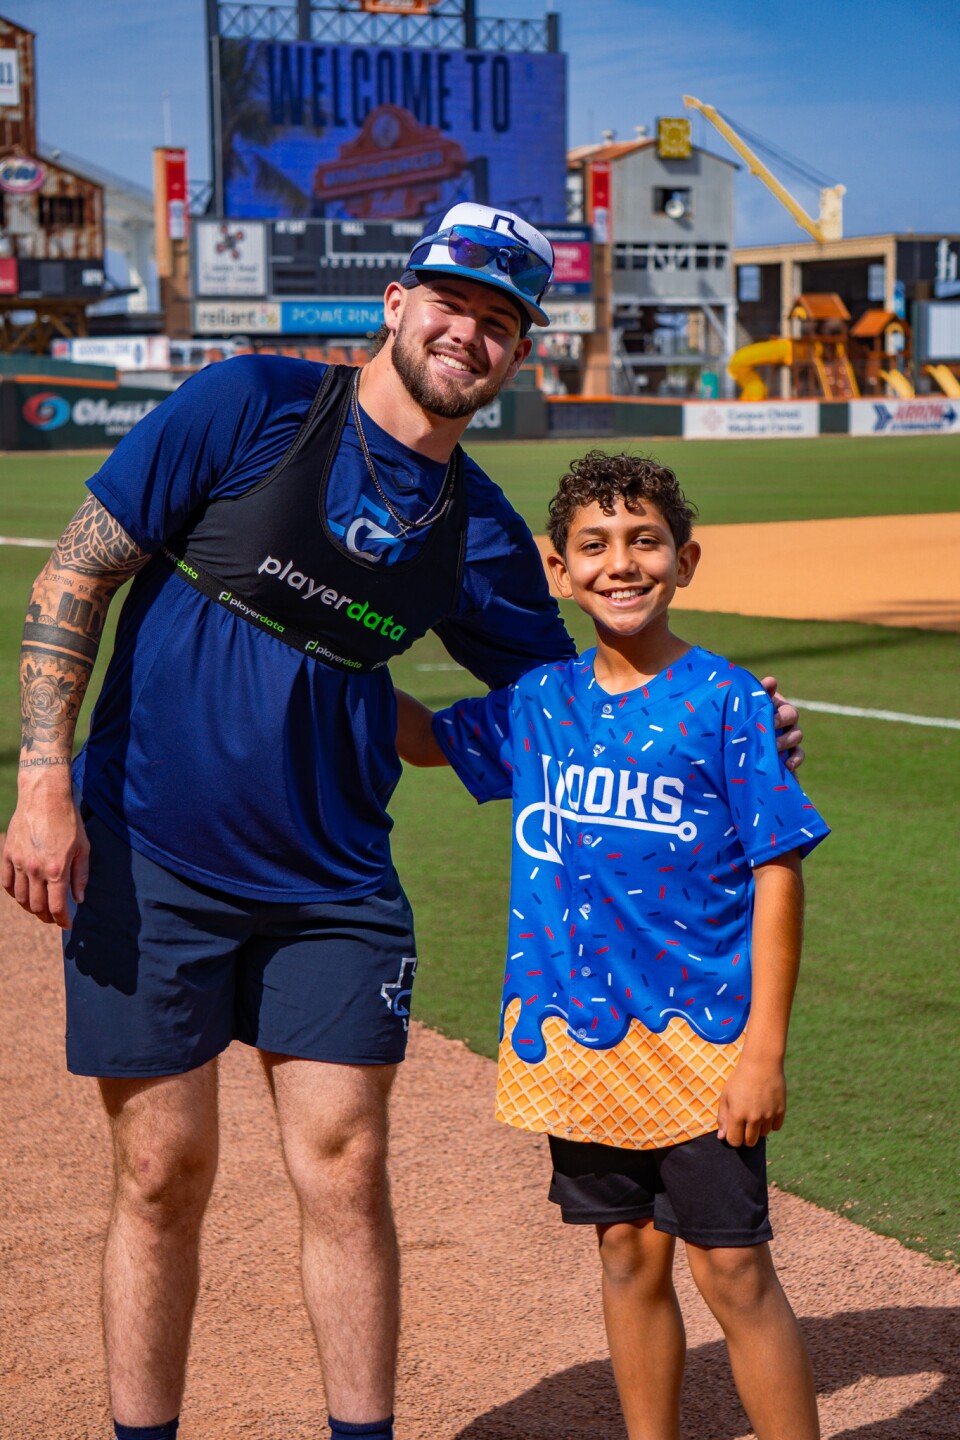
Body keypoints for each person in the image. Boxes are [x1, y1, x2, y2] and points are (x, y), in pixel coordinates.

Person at [2, 202, 802, 1440]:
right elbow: (78, 570)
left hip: (333, 889)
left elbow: (579, 699)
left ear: (518, 352)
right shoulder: (248, 404)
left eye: (498, 321)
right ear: (394, 304)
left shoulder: (479, 530)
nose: (466, 334)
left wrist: (731, 715)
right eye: (449, 301)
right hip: (151, 849)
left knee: (350, 1168)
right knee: (161, 1175)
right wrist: (42, 775)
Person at [396, 451, 828, 1440]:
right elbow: (427, 741)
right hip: (585, 1041)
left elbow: (779, 870)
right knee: (626, 1253)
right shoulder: (541, 703)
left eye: (644, 541)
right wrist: (319, 668)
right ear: (558, 568)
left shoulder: (726, 700)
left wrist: (764, 1048)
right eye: (594, 546)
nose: (620, 564)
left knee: (731, 1266)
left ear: (687, 558)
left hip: (705, 1039)